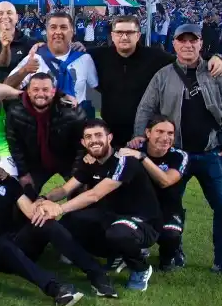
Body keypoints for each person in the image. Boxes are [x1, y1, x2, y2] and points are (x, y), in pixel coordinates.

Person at [132, 23, 222, 279]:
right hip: (176, 155)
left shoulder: (217, 73)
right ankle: (174, 251)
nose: (187, 45)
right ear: (174, 44)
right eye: (182, 40)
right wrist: (141, 138)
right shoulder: (163, 75)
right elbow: (144, 109)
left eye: (192, 40)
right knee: (170, 205)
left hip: (212, 153)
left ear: (200, 43)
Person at [0, 138, 99, 306]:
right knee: (3, 245)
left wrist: (45, 207)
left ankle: (95, 272)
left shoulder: (9, 182)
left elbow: (30, 211)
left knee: (45, 222)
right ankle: (56, 289)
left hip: (16, 242)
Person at [35, 120, 161, 292]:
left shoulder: (124, 160)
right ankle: (108, 257)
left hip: (142, 221)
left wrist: (59, 208)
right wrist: (43, 198)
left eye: (98, 135)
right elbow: (65, 189)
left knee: (118, 233)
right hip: (109, 216)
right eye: (88, 137)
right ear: (83, 142)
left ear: (109, 137)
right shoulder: (89, 161)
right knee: (68, 222)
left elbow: (94, 195)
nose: (94, 140)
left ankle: (141, 269)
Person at [90, 15, 222, 146]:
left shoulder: (154, 57)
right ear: (112, 35)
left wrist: (213, 57)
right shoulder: (98, 56)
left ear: (138, 35)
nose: (124, 37)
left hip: (146, 133)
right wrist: (77, 46)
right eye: (119, 32)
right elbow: (72, 54)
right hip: (111, 132)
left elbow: (184, 59)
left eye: (130, 32)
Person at [118, 116, 189, 272]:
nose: (165, 137)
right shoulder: (134, 150)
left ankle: (168, 256)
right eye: (160, 131)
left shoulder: (179, 155)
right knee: (122, 231)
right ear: (148, 133)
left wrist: (142, 158)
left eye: (170, 133)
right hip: (139, 208)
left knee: (171, 236)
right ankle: (135, 252)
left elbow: (165, 181)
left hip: (168, 209)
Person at [4, 73, 87, 197]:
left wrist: (76, 175)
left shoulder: (72, 112)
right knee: (25, 195)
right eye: (36, 90)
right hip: (35, 163)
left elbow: (81, 147)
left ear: (54, 92)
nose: (41, 94)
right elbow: (15, 144)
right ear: (28, 92)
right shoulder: (15, 111)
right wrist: (23, 173)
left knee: (80, 194)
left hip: (67, 160)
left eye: (45, 90)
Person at [6, 12, 98, 116]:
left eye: (63, 27)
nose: (58, 32)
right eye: (53, 27)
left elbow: (97, 86)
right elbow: (6, 88)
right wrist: (24, 70)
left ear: (72, 31)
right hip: (43, 123)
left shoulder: (84, 59)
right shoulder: (35, 57)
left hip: (75, 123)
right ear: (47, 32)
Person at [0, 1, 35, 83]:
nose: (5, 16)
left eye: (9, 13)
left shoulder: (30, 43)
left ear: (16, 18)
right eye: (0, 13)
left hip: (19, 94)